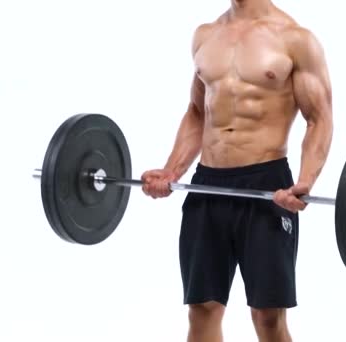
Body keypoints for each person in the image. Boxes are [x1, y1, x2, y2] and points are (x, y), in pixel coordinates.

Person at [142, 0, 332, 341]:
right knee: (202, 310)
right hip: (207, 185)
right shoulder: (205, 35)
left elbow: (319, 118)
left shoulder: (295, 39)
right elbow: (198, 113)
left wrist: (305, 181)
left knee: (268, 318)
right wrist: (171, 172)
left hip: (267, 186)